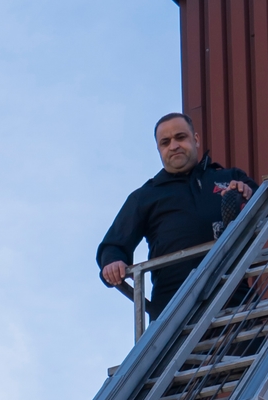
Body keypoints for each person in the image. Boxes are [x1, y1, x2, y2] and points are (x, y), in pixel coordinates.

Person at [95, 114, 256, 323]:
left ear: (195, 139)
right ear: (159, 150)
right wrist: (112, 262)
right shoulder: (145, 196)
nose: (174, 146)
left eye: (180, 137)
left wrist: (248, 194)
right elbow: (113, 245)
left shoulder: (229, 178)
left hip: (234, 297)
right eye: (165, 142)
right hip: (173, 309)